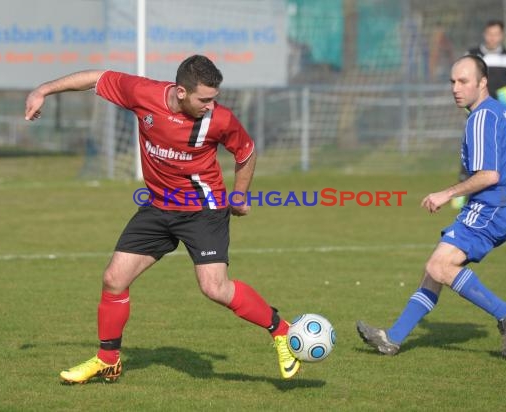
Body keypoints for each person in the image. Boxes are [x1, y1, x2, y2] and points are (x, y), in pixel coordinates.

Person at [25, 55, 301, 383]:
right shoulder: (143, 94)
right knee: (114, 278)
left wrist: (239, 195)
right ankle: (108, 360)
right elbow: (96, 78)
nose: (211, 106)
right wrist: (43, 89)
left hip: (203, 210)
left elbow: (246, 151)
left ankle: (281, 330)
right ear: (181, 92)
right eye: (205, 99)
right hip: (158, 207)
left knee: (214, 287)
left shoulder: (220, 119)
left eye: (215, 98)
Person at [356, 55, 506, 358]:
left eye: (463, 81)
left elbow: (488, 175)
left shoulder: (481, 118)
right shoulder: (502, 113)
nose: (455, 88)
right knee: (433, 272)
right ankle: (392, 338)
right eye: (452, 81)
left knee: (439, 267)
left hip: (491, 209)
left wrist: (445, 193)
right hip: (501, 208)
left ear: (483, 83)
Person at [452, 19, 506, 209]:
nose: (493, 38)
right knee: (472, 149)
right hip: (478, 110)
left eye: (496, 34)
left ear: (502, 35)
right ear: (485, 34)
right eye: (490, 34)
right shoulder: (473, 55)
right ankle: (462, 191)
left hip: (502, 111)